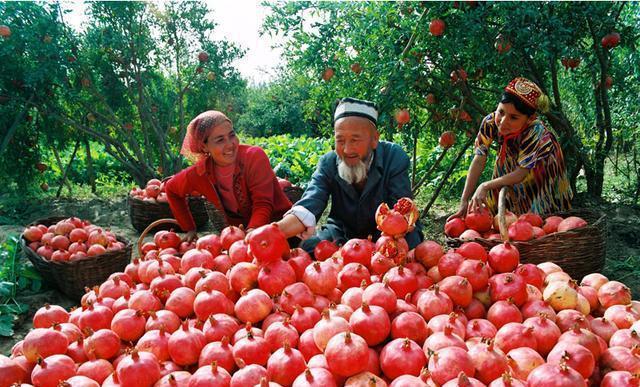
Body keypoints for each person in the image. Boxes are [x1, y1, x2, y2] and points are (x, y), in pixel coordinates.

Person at [276, 97, 423, 253]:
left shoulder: (393, 157)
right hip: (341, 234)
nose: (346, 150)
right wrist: (273, 231)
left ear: (374, 139)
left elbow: (401, 213)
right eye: (340, 140)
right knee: (310, 247)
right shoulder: (328, 162)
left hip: (388, 235)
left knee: (410, 248)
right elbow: (310, 203)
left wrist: (380, 245)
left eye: (355, 140)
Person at [448, 77, 573, 221]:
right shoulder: (490, 122)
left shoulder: (535, 131)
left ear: (530, 118)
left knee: (539, 219)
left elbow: (521, 173)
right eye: (501, 112)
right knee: (500, 211)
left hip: (541, 167)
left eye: (513, 117)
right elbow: (479, 159)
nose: (503, 122)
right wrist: (464, 200)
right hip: (511, 160)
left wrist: (485, 185)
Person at [165, 110, 292, 241]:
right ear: (204, 147)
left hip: (283, 231)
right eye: (220, 140)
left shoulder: (254, 156)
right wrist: (189, 228)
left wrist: (252, 233)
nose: (230, 144)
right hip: (242, 240)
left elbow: (263, 204)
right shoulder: (200, 173)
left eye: (232, 135)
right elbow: (171, 188)